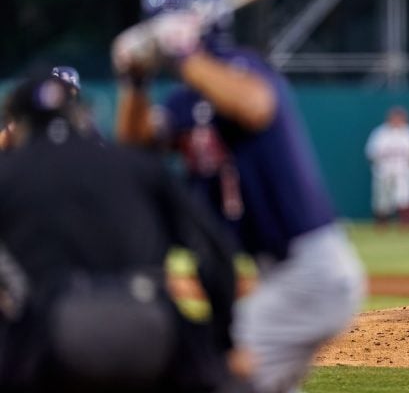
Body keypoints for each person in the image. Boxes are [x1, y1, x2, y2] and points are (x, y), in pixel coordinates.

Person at [112, 0, 365, 393]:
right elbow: (135, 146)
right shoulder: (187, 99)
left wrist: (185, 53)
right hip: (278, 274)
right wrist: (134, 82)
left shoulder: (242, 68)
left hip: (309, 272)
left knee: (221, 375)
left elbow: (256, 106)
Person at [0, 69, 243, 393]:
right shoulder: (136, 164)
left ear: (18, 124)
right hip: (151, 328)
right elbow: (216, 254)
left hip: (56, 336)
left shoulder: (9, 174)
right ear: (79, 115)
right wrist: (222, 338)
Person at [364, 106, 409, 229]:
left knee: (405, 198)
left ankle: (406, 226)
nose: (397, 120)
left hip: (404, 172)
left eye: (400, 117)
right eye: (394, 117)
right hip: (383, 172)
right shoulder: (380, 133)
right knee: (381, 201)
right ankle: (381, 226)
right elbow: (370, 154)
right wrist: (377, 169)